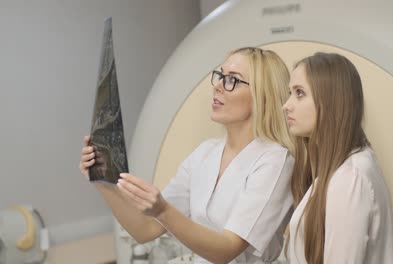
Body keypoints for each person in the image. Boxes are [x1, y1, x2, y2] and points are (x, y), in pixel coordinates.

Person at [80, 47, 295, 263]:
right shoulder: (204, 154)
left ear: (262, 95)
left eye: (232, 80)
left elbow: (227, 250)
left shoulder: (276, 161)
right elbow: (145, 229)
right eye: (220, 76)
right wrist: (101, 180)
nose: (218, 86)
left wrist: (163, 210)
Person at [283, 52, 393, 264]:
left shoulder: (350, 178)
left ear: (330, 100)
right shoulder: (343, 168)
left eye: (299, 93)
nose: (287, 105)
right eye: (290, 93)